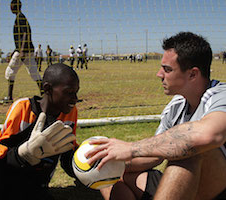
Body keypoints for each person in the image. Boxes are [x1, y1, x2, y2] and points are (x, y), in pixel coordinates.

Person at [86, 32, 226, 200]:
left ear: (192, 74)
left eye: (167, 69)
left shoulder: (220, 95)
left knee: (190, 148)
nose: (159, 74)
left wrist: (130, 148)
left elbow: (208, 135)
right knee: (114, 177)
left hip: (218, 187)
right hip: (191, 185)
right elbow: (155, 155)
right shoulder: (176, 105)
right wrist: (108, 162)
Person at [0, 63, 80, 200]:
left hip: (38, 187)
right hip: (9, 183)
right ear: (47, 88)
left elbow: (67, 154)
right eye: (69, 92)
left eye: (76, 92)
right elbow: (1, 157)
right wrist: (24, 154)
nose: (75, 99)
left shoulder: (69, 114)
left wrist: (87, 164)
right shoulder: (22, 109)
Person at [0, 0, 44, 105]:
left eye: (11, 5)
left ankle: (9, 97)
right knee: (34, 73)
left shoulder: (20, 18)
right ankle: (45, 94)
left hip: (24, 51)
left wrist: (21, 51)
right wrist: (14, 51)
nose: (10, 8)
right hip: (28, 50)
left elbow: (25, 33)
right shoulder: (21, 17)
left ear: (15, 6)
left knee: (10, 72)